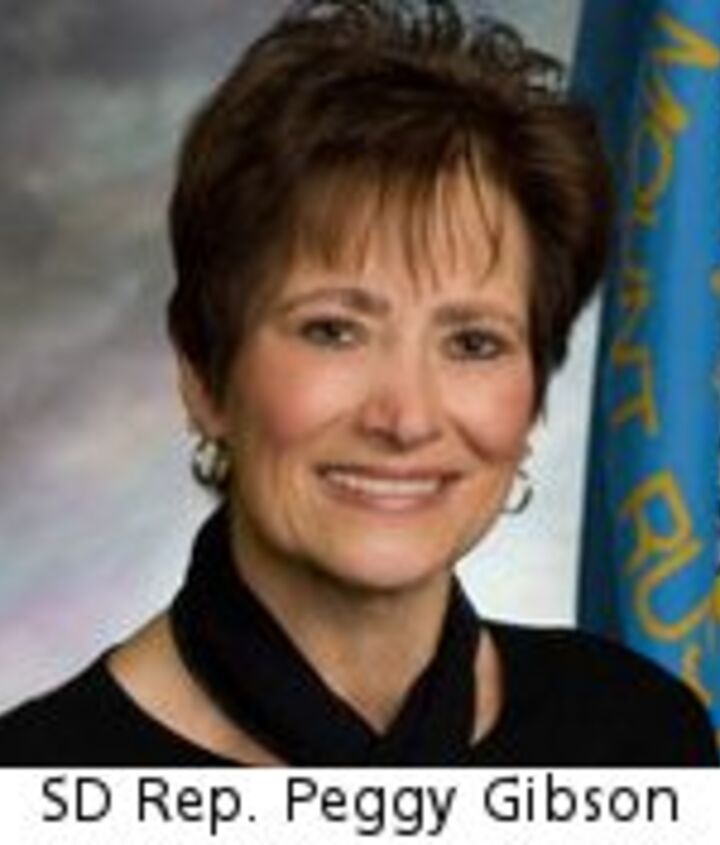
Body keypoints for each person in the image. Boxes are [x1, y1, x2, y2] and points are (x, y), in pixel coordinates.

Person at [0, 0, 716, 766]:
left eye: (473, 342)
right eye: (334, 330)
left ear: (535, 396)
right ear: (204, 373)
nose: (405, 417)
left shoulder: (639, 735)